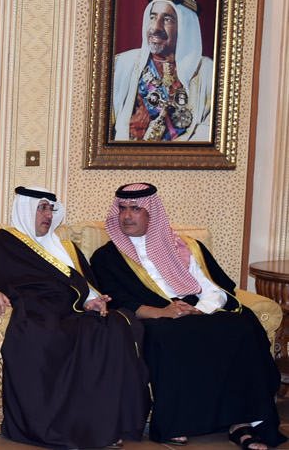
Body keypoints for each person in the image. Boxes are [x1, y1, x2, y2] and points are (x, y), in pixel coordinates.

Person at [91, 183, 284, 449]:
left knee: (243, 326)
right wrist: (163, 312)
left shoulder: (185, 246)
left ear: (151, 213)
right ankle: (176, 423)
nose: (126, 216)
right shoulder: (106, 257)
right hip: (155, 317)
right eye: (122, 209)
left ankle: (242, 422)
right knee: (167, 336)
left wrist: (201, 309)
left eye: (135, 209)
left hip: (196, 309)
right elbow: (118, 300)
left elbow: (213, 286)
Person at [0, 187, 149, 449]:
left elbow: (85, 286)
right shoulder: (0, 244)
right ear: (26, 209)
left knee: (116, 325)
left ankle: (104, 424)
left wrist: (92, 301)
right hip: (36, 312)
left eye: (50, 209)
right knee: (52, 336)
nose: (48, 215)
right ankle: (64, 426)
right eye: (42, 208)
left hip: (74, 311)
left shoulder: (64, 247)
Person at [111, 0, 214, 141]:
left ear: (184, 27)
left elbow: (213, 129)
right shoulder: (122, 65)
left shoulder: (208, 73)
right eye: (153, 17)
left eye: (167, 20)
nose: (156, 27)